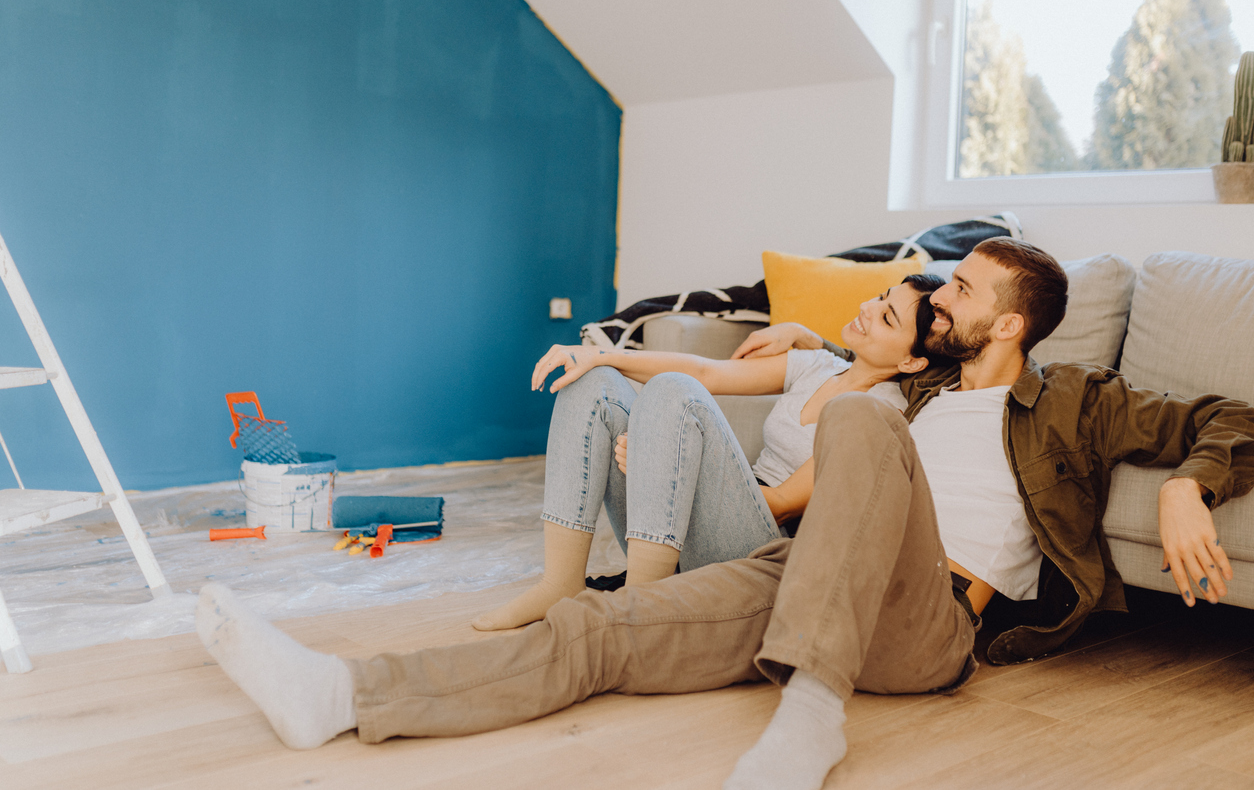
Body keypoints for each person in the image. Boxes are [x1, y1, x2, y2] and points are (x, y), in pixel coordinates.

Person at [195, 239, 1254, 790]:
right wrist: (793, 333)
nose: (941, 297)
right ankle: (341, 693)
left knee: (857, 429)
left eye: (964, 289)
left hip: (930, 618)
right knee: (600, 627)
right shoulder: (912, 381)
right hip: (801, 577)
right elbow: (847, 358)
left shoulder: (1069, 398)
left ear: (1011, 321)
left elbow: (1231, 412)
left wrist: (1180, 482)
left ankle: (813, 707)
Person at [471, 274, 945, 631]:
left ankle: (643, 606)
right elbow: (711, 372)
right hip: (695, 520)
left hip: (759, 544)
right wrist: (602, 355)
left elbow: (780, 503)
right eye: (882, 297)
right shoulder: (819, 366)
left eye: (887, 317)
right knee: (593, 381)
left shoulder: (880, 420)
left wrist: (669, 465)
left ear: (912, 361)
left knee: (677, 391)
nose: (869, 307)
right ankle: (559, 584)